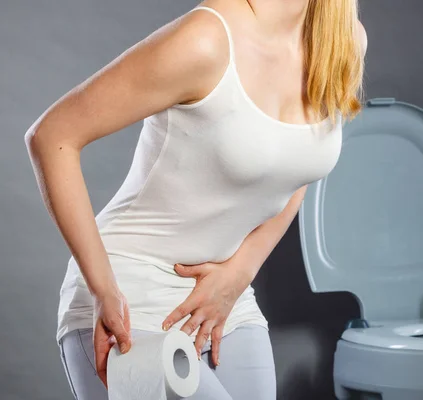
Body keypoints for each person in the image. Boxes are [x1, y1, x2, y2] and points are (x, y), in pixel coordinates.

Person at [24, 0, 367, 398]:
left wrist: (241, 271)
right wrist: (104, 289)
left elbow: (297, 167)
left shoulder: (343, 41)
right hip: (131, 294)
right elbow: (51, 137)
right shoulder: (207, 40)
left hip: (224, 300)